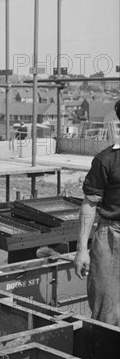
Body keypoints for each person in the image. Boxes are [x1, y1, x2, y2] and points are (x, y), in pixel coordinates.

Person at [74, 99, 120, 327]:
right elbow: (89, 205)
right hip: (111, 238)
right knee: (106, 310)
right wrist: (82, 250)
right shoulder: (106, 159)